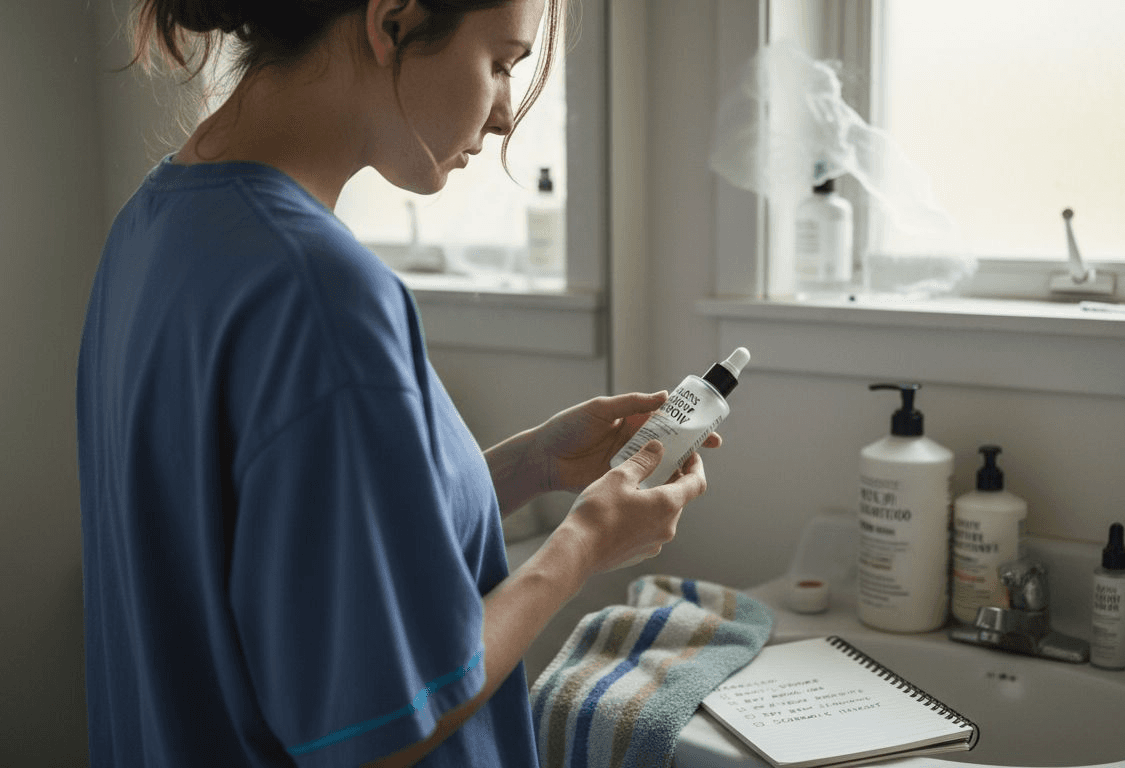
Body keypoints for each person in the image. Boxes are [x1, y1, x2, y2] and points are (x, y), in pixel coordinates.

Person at [76, 1, 715, 765]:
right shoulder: (321, 296)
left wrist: (531, 466)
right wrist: (582, 543)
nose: (507, 115)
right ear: (392, 22)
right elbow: (388, 727)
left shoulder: (150, 228)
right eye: (501, 63)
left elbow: (286, 544)